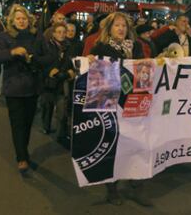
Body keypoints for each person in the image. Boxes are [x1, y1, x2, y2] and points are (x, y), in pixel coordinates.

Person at [88, 12, 152, 207]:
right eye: (117, 25)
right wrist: (90, 60)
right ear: (109, 28)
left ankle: (136, 186)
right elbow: (98, 80)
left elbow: (144, 72)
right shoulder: (101, 47)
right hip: (111, 103)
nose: (121, 29)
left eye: (124, 25)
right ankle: (112, 189)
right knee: (113, 146)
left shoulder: (137, 47)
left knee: (137, 145)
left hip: (134, 103)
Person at [0, 4, 42, 174]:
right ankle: (21, 158)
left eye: (24, 19)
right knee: (17, 124)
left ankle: (24, 152)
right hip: (14, 88)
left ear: (29, 21)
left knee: (27, 124)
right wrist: (13, 52)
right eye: (18, 19)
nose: (21, 21)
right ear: (12, 21)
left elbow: (45, 55)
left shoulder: (35, 36)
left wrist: (35, 59)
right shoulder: (4, 37)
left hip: (32, 87)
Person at [38, 23, 75, 149]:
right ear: (53, 33)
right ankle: (46, 126)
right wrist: (50, 71)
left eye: (63, 32)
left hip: (62, 82)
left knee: (62, 110)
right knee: (47, 107)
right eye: (58, 32)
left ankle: (61, 135)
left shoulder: (69, 47)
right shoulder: (46, 46)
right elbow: (43, 64)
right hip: (48, 83)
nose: (62, 34)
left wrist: (70, 72)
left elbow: (71, 63)